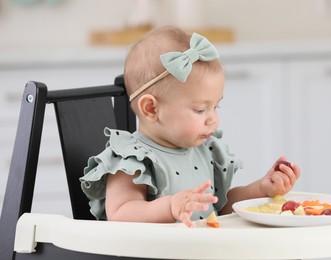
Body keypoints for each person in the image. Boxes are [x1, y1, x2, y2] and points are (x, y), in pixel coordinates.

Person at [80, 26, 300, 228]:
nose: (212, 119)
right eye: (200, 110)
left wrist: (261, 189)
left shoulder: (204, 151)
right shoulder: (131, 158)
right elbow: (120, 212)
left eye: (216, 106)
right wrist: (170, 207)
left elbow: (218, 206)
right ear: (151, 109)